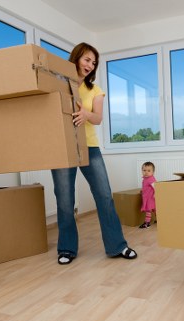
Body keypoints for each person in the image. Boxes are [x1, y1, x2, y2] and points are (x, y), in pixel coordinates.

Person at [51, 42, 137, 265]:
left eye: (94, 62)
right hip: (61, 146)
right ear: (77, 57)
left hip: (89, 147)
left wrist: (85, 114)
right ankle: (66, 249)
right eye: (87, 59)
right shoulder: (58, 83)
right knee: (64, 200)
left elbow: (97, 118)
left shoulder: (95, 90)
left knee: (104, 196)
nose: (90, 65)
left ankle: (117, 246)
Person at [139, 161, 157, 229]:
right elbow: (146, 186)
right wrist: (142, 190)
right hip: (148, 197)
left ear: (153, 172)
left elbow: (156, 186)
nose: (146, 172)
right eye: (144, 170)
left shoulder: (150, 179)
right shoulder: (146, 178)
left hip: (150, 198)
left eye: (149, 171)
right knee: (155, 209)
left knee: (148, 210)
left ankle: (147, 223)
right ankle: (159, 220)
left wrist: (155, 193)